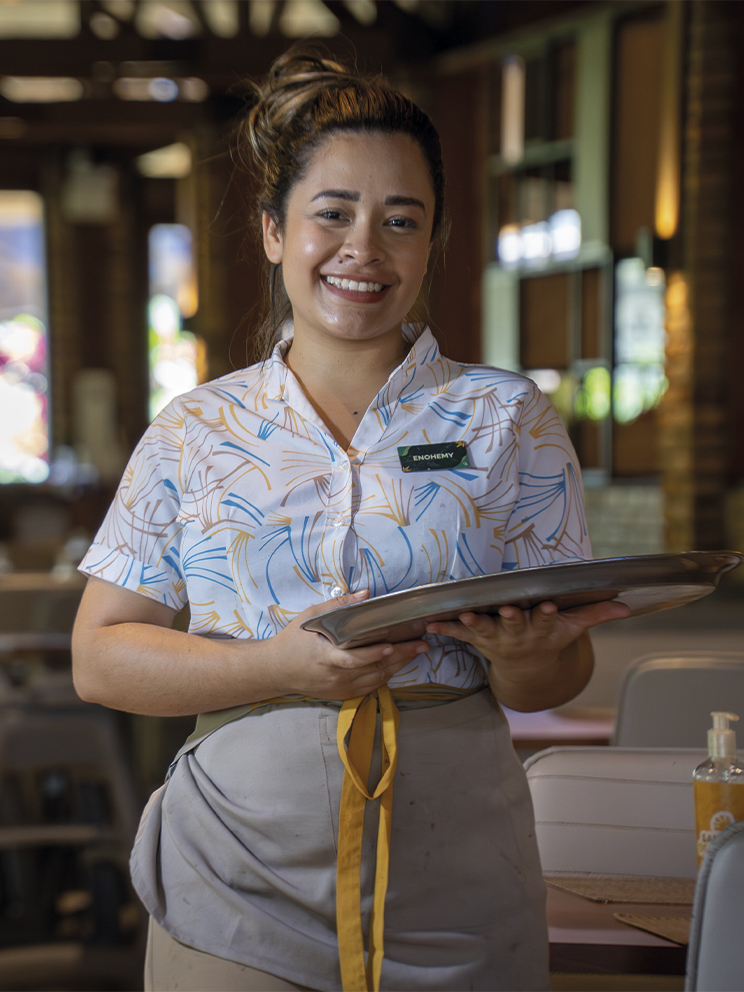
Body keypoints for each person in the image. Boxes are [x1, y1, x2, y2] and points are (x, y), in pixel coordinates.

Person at [72, 50, 630, 992]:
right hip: (235, 883)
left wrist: (530, 653)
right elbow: (101, 657)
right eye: (332, 213)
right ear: (272, 234)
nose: (363, 248)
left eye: (399, 220)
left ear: (429, 242)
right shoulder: (196, 430)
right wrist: (273, 666)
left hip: (457, 885)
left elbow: (554, 676)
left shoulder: (506, 417)